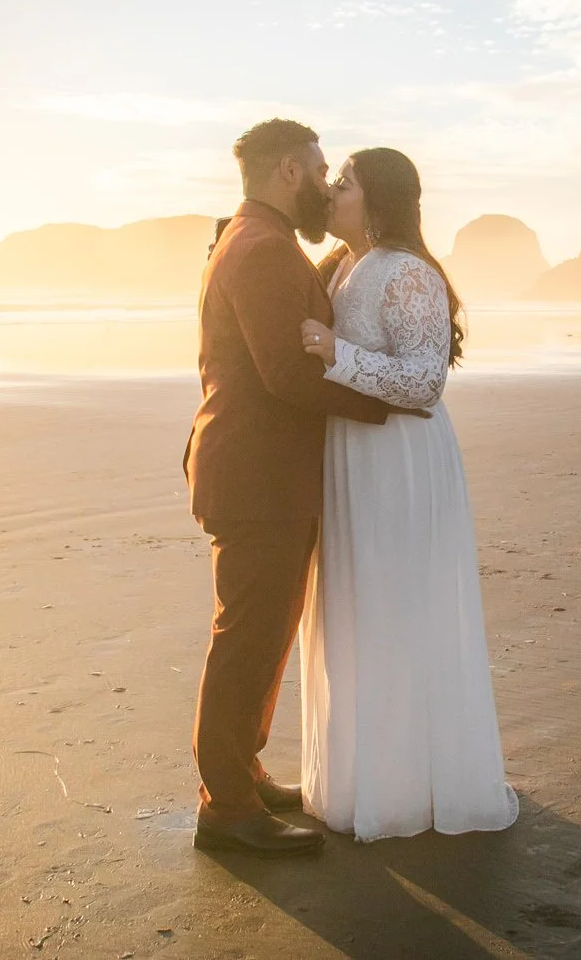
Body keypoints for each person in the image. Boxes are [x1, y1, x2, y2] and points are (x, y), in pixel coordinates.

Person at [185, 119, 410, 857]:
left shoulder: (259, 240)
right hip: (255, 476)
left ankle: (243, 773)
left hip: (266, 474)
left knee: (266, 631)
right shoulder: (260, 249)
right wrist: (385, 401)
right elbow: (286, 372)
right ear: (288, 171)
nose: (325, 184)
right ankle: (226, 808)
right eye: (318, 171)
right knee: (246, 637)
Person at [297, 147, 519, 841]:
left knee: (398, 606)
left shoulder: (408, 271)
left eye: (345, 183)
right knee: (358, 606)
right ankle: (364, 778)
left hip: (399, 459)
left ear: (380, 200)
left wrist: (336, 353)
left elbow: (424, 382)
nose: (331, 191)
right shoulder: (340, 267)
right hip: (351, 456)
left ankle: (410, 787)